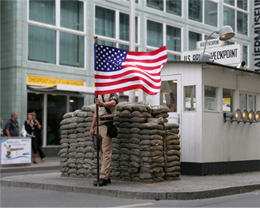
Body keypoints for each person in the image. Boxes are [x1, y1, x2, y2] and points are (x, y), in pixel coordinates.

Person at [90, 93, 119, 186]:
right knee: (100, 152)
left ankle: (103, 177)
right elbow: (96, 112)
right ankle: (107, 175)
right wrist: (92, 128)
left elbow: (114, 103)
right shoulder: (98, 94)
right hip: (98, 125)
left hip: (107, 123)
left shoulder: (112, 92)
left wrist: (102, 104)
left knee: (106, 152)